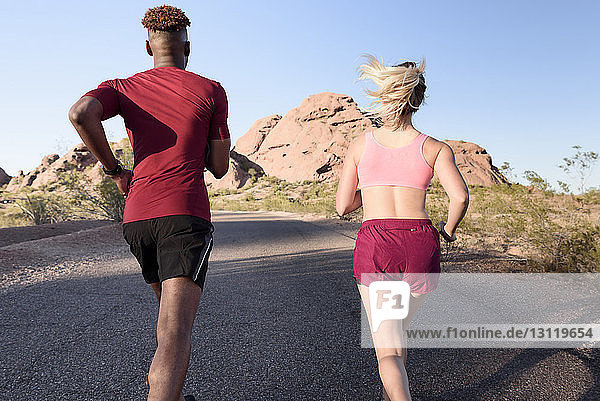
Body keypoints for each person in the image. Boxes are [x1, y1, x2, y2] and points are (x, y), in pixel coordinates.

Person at [68, 5, 230, 401]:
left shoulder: (123, 87)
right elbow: (221, 167)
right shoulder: (210, 89)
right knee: (175, 332)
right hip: (184, 214)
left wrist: (113, 170)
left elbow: (80, 113)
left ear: (147, 47)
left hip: (137, 216)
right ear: (187, 46)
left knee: (167, 321)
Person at [335, 55, 469, 401]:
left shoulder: (361, 144)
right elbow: (460, 199)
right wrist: (449, 231)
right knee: (399, 337)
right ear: (418, 100)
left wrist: (374, 191)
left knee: (388, 350)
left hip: (379, 242)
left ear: (386, 96)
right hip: (420, 242)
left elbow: (342, 205)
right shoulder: (436, 148)